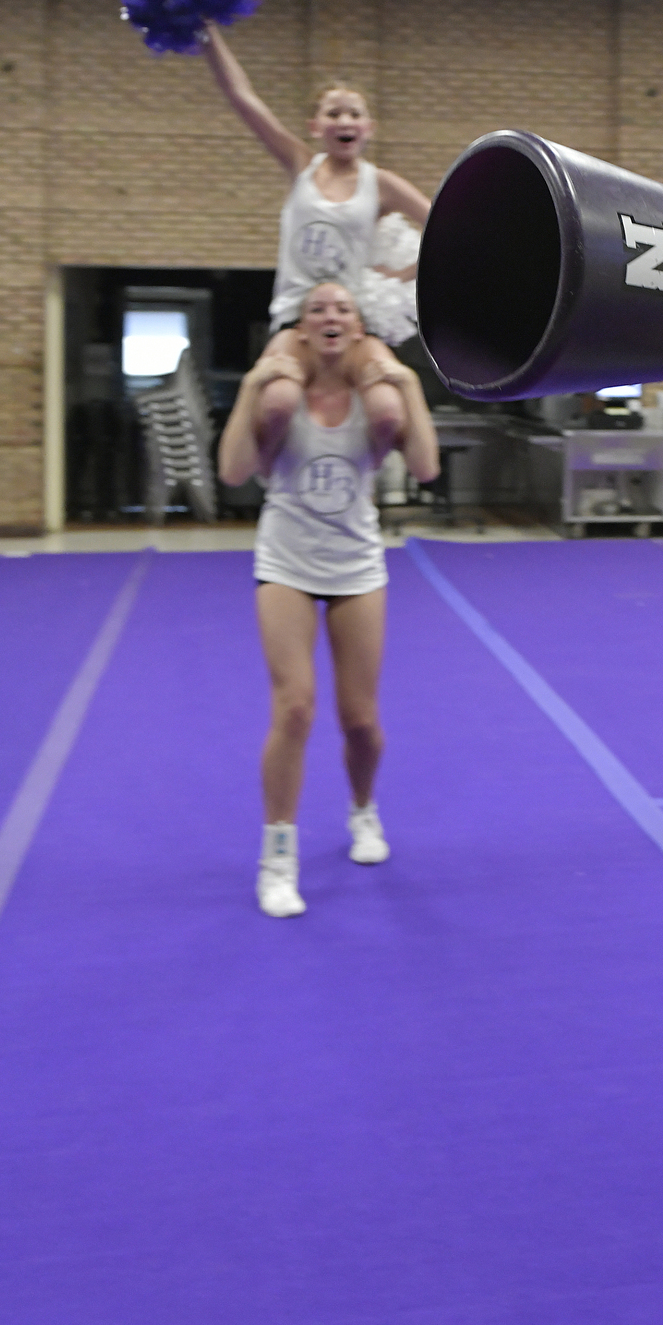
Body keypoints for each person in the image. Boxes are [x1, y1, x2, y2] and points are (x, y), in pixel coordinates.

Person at [218, 281, 440, 918]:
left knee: (361, 722)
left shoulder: (377, 403)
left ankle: (363, 810)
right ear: (304, 326)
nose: (330, 316)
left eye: (342, 308)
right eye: (318, 309)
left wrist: (409, 384)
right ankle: (277, 856)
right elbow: (234, 472)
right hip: (285, 561)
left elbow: (425, 468)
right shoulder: (282, 400)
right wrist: (251, 387)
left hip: (356, 567)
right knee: (294, 707)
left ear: (360, 327)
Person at [200, 21, 431, 351]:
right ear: (315, 126)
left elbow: (445, 231)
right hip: (296, 313)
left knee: (392, 392)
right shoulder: (300, 165)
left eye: (354, 114)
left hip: (348, 320)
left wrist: (399, 276)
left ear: (368, 128)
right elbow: (243, 98)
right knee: (274, 391)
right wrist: (207, 33)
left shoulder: (381, 183)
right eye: (333, 114)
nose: (344, 121)